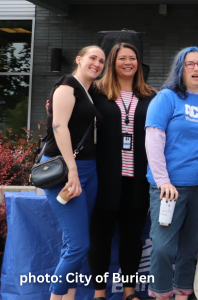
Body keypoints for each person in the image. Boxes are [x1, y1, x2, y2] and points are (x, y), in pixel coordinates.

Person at [144, 47, 198, 300]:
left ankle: (183, 293)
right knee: (163, 248)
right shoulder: (166, 98)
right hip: (169, 188)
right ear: (180, 68)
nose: (197, 69)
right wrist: (163, 180)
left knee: (190, 248)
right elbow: (153, 139)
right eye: (190, 64)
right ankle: (162, 294)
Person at [88, 42, 156, 300]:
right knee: (100, 238)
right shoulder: (97, 92)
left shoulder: (150, 96)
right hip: (104, 179)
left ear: (139, 63)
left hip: (137, 180)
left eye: (133, 58)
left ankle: (129, 293)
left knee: (132, 239)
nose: (128, 63)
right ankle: (99, 293)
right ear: (112, 62)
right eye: (122, 58)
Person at [41, 45, 105, 300]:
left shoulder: (90, 92)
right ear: (79, 59)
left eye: (101, 61)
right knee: (79, 244)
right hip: (67, 170)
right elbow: (59, 126)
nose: (97, 64)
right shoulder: (67, 84)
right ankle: (56, 297)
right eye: (92, 58)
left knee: (74, 245)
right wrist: (72, 169)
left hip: (89, 170)